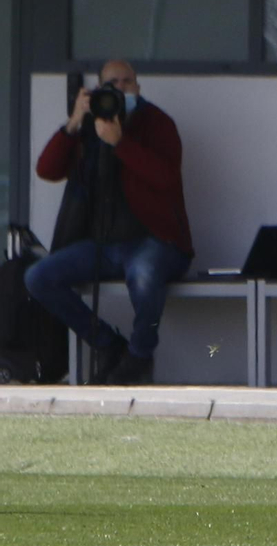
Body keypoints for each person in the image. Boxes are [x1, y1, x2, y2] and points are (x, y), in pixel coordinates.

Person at [27, 59, 192, 385]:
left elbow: (165, 178)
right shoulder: (89, 126)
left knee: (144, 279)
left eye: (126, 82)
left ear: (138, 87)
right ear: (98, 89)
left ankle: (140, 355)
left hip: (155, 240)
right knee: (38, 277)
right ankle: (108, 344)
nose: (119, 89)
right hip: (102, 243)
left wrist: (120, 142)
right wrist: (74, 122)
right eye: (111, 83)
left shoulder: (157, 123)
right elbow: (47, 170)